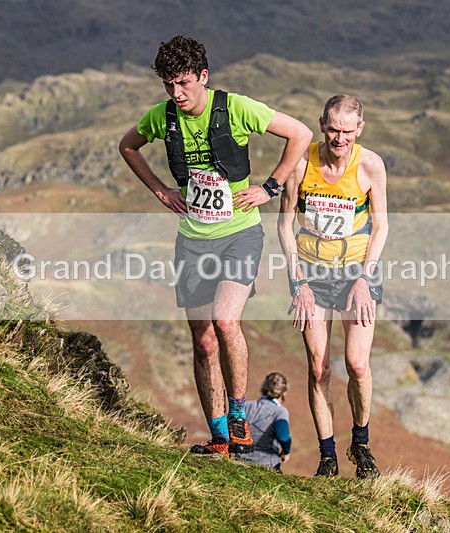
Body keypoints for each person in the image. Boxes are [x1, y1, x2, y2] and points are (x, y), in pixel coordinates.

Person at [119, 35, 312, 458]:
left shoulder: (236, 107)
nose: (177, 93)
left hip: (240, 234)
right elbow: (127, 146)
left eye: (185, 83)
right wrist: (159, 190)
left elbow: (300, 133)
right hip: (193, 240)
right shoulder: (162, 116)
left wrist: (270, 186)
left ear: (203, 76)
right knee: (203, 340)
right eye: (169, 85)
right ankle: (221, 437)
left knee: (226, 322)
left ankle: (239, 412)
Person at [277, 95, 389, 478]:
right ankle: (327, 456)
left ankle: (361, 442)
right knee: (318, 367)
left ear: (360, 129)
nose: (340, 139)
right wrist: (298, 282)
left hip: (358, 271)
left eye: (347, 132)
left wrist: (364, 278)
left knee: (357, 363)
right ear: (322, 123)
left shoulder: (371, 165)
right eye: (333, 130)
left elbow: (383, 225)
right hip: (312, 274)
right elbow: (284, 225)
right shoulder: (302, 162)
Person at [237, 372, 292, 472]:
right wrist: (286, 452)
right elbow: (284, 437)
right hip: (268, 465)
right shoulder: (280, 412)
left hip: (240, 462)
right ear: (284, 393)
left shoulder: (246, 406)